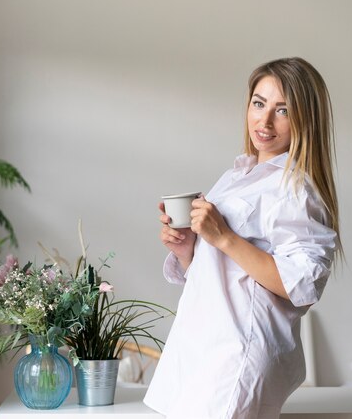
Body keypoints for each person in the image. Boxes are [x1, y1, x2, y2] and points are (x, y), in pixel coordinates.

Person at [143, 57, 341, 419]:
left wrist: (223, 238)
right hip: (204, 350)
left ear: (306, 119)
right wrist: (189, 249)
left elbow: (302, 284)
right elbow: (228, 277)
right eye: (259, 103)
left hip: (236, 357)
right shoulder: (239, 175)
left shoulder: (295, 189)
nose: (264, 121)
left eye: (283, 110)